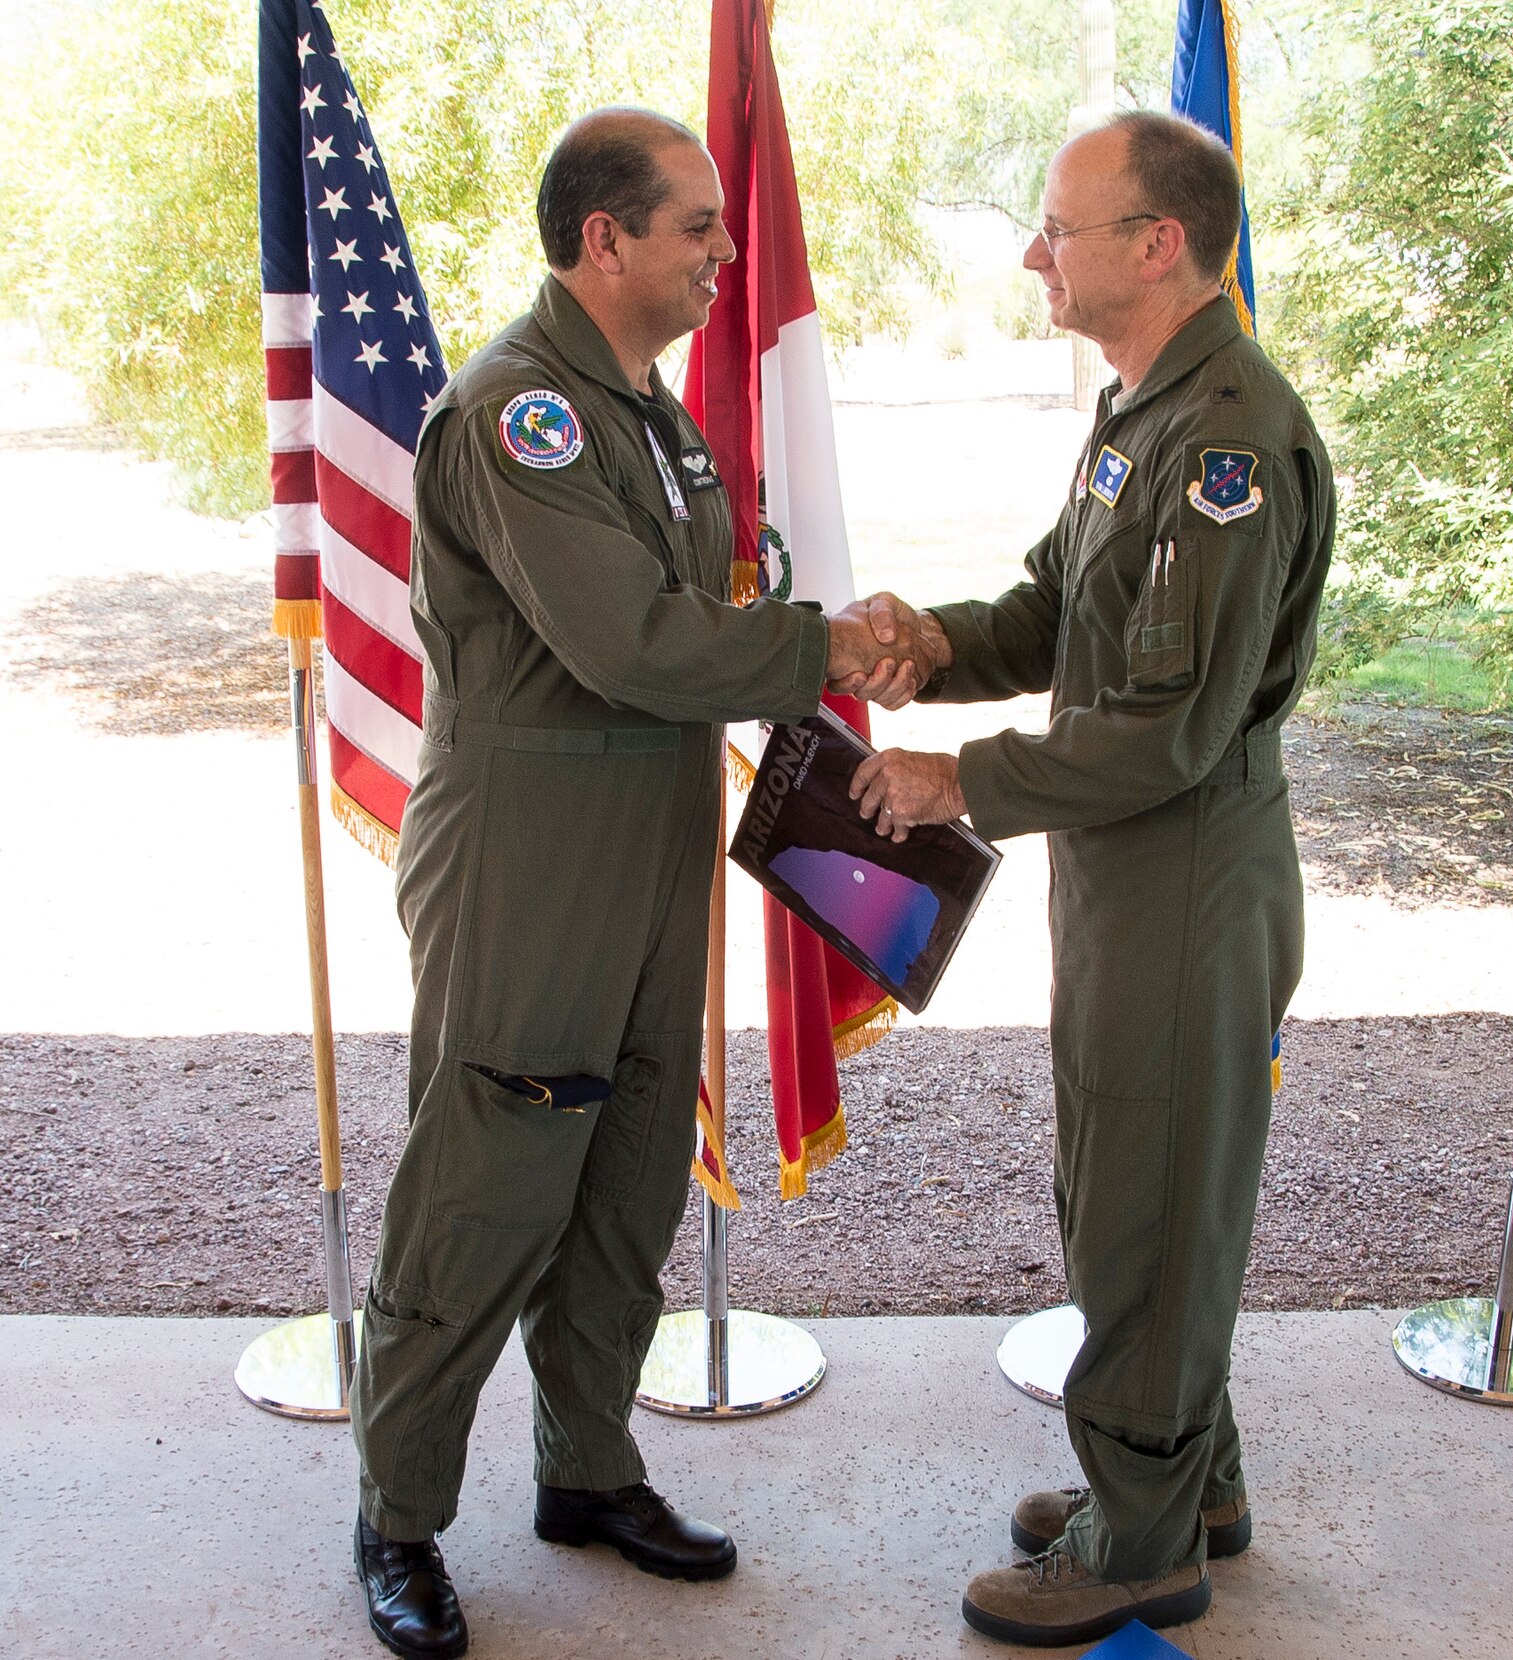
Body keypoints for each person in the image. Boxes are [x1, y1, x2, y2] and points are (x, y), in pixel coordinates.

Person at [348, 107, 928, 1660]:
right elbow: (636, 643)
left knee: (625, 1180)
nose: (725, 258)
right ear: (603, 238)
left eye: (726, 230)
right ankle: (397, 1514)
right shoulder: (519, 414)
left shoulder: (653, 419)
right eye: (698, 229)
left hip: (656, 838)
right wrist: (827, 645)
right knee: (488, 1179)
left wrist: (808, 655)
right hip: (531, 855)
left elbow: (697, 614)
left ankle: (588, 1471)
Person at [843, 112, 1336, 1647]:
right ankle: (1193, 1481)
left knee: (1148, 1202)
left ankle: (1141, 1543)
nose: (1035, 254)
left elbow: (1172, 733)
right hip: (1130, 871)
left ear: (1158, 243)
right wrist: (936, 649)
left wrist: (961, 778)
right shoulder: (1143, 409)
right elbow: (1067, 610)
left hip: (1185, 862)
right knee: (1139, 1187)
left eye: (1060, 227)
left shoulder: (1230, 441)